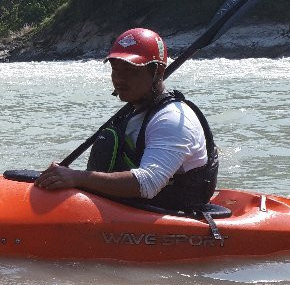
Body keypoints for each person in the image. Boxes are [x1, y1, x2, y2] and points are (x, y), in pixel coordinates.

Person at [35, 27, 219, 212]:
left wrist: (77, 177)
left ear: (157, 71)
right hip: (132, 211)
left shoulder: (173, 119)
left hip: (171, 222)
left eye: (130, 70)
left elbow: (147, 184)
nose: (119, 79)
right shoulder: (133, 111)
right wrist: (64, 176)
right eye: (116, 70)